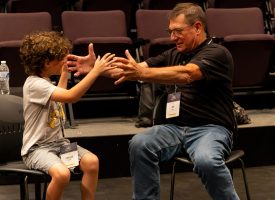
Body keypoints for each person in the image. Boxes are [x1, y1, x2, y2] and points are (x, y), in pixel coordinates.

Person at [67, 3, 239, 199]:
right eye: (170, 31)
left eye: (178, 31)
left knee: (206, 160)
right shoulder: (173, 54)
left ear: (197, 27)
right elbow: (133, 70)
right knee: (140, 144)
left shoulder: (217, 53)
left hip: (211, 128)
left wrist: (143, 73)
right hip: (175, 129)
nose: (172, 37)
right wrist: (97, 69)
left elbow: (187, 74)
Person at [20, 31, 115, 200]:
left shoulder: (46, 82)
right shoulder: (34, 84)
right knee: (62, 174)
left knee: (92, 163)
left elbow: (62, 98)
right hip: (37, 149)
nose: (64, 60)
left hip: (59, 144)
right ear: (46, 62)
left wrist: (64, 72)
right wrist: (95, 72)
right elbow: (71, 96)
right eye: (60, 58)